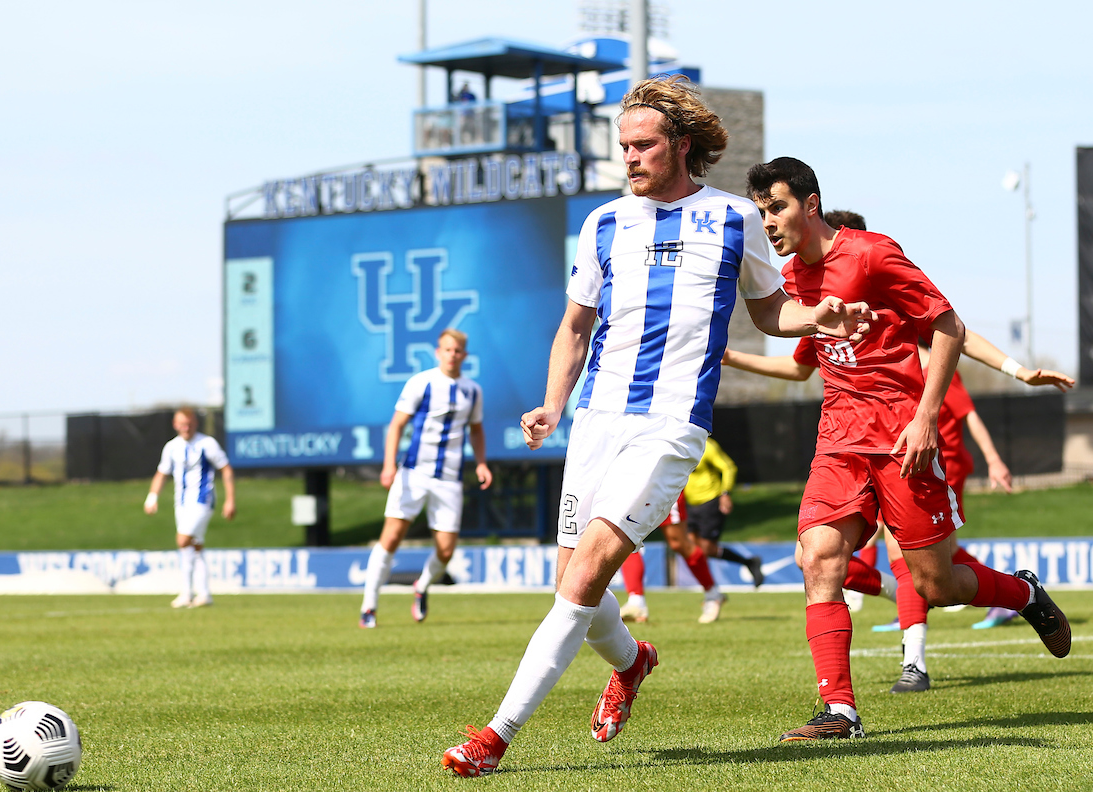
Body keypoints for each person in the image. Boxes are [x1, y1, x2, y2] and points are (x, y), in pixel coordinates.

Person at [441, 76, 873, 777]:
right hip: (596, 420)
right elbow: (574, 327)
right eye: (624, 147)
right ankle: (634, 661)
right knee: (572, 585)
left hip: (671, 425)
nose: (630, 158)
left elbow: (769, 313)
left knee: (584, 579)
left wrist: (817, 317)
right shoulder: (603, 222)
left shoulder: (735, 218)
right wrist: (554, 403)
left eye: (643, 145)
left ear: (681, 146)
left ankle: (495, 736)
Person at [742, 157, 1070, 741]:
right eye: (762, 211)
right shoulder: (788, 281)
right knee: (817, 556)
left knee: (935, 585)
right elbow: (778, 330)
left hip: (902, 439)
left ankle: (1023, 591)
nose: (768, 222)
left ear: (810, 204)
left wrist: (925, 419)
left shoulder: (870, 254)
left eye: (777, 207)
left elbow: (948, 325)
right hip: (839, 440)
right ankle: (840, 710)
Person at [359, 329, 492, 629]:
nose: (452, 355)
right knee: (391, 537)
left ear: (464, 355)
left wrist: (481, 463)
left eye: (457, 350)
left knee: (446, 550)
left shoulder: (473, 390)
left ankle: (422, 585)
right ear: (438, 352)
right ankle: (369, 606)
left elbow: (477, 430)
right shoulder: (422, 382)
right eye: (447, 349)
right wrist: (388, 465)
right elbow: (397, 425)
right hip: (414, 473)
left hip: (449, 480)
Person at [619, 437, 764, 624]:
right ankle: (636, 601)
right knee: (624, 537)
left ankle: (714, 592)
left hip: (679, 491)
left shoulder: (704, 444)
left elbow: (728, 467)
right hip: (667, 494)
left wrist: (725, 494)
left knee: (684, 545)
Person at [144, 407, 236, 609]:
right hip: (182, 502)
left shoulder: (207, 443)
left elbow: (226, 469)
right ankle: (204, 594)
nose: (186, 428)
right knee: (195, 546)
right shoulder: (171, 447)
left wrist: (230, 499)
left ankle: (186, 592)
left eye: (189, 424)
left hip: (203, 500)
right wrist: (152, 497)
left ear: (195, 423)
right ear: (175, 425)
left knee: (182, 539)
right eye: (182, 424)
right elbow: (162, 473)